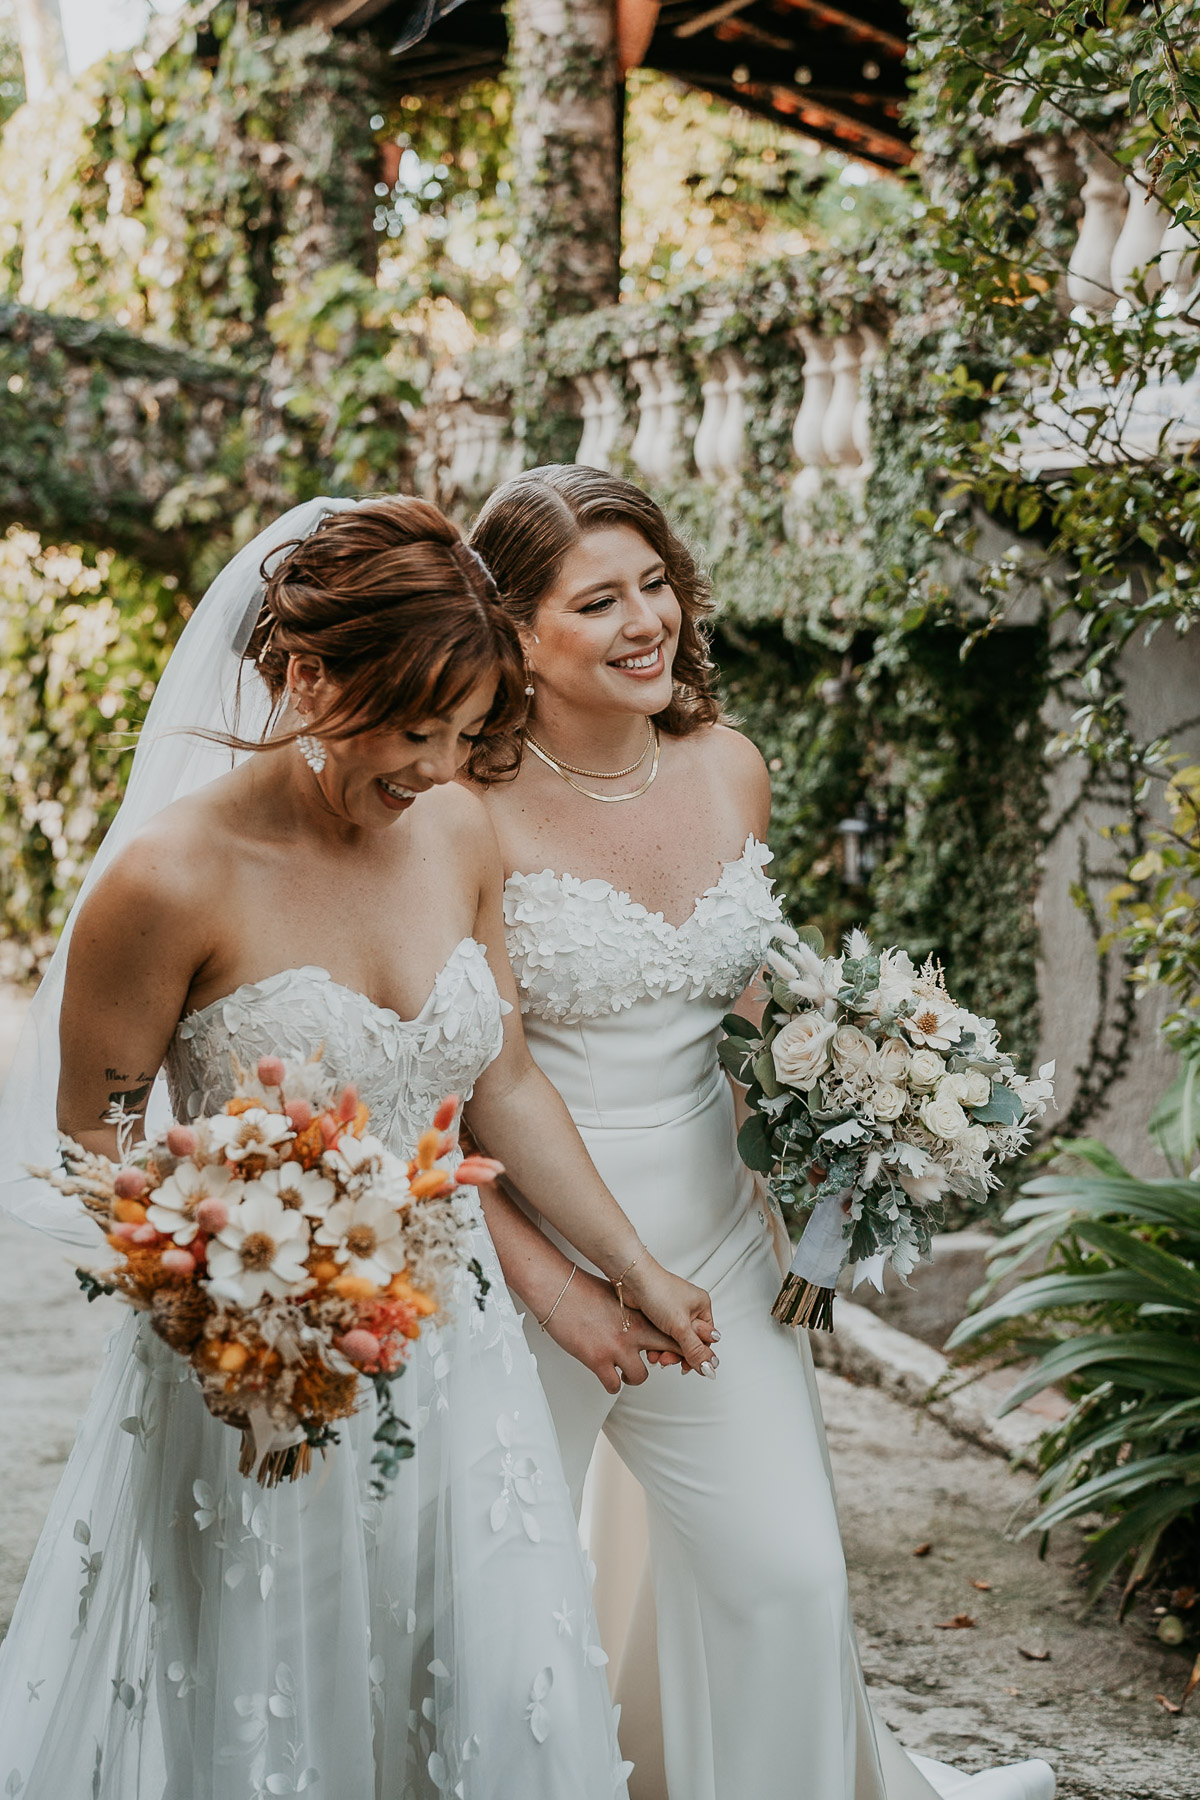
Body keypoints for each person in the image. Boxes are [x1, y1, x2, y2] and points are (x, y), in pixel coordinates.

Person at [0, 495, 718, 1800]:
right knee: (282, 1707)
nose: (436, 766)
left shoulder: (452, 827)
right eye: (409, 725)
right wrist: (225, 1284)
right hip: (256, 1373)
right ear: (305, 671)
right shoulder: (165, 883)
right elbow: (93, 1142)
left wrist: (631, 1264)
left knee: (494, 1684)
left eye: (461, 730)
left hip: (460, 1353)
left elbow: (499, 1074)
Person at [468, 464, 1058, 1800]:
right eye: (599, 600)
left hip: (720, 1249)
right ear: (513, 633)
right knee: (496, 1617)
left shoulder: (729, 766)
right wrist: (568, 1274)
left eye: (656, 584)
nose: (646, 622)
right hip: (525, 1263)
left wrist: (850, 1119)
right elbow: (460, 1084)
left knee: (787, 1580)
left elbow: (747, 1003)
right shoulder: (466, 804)